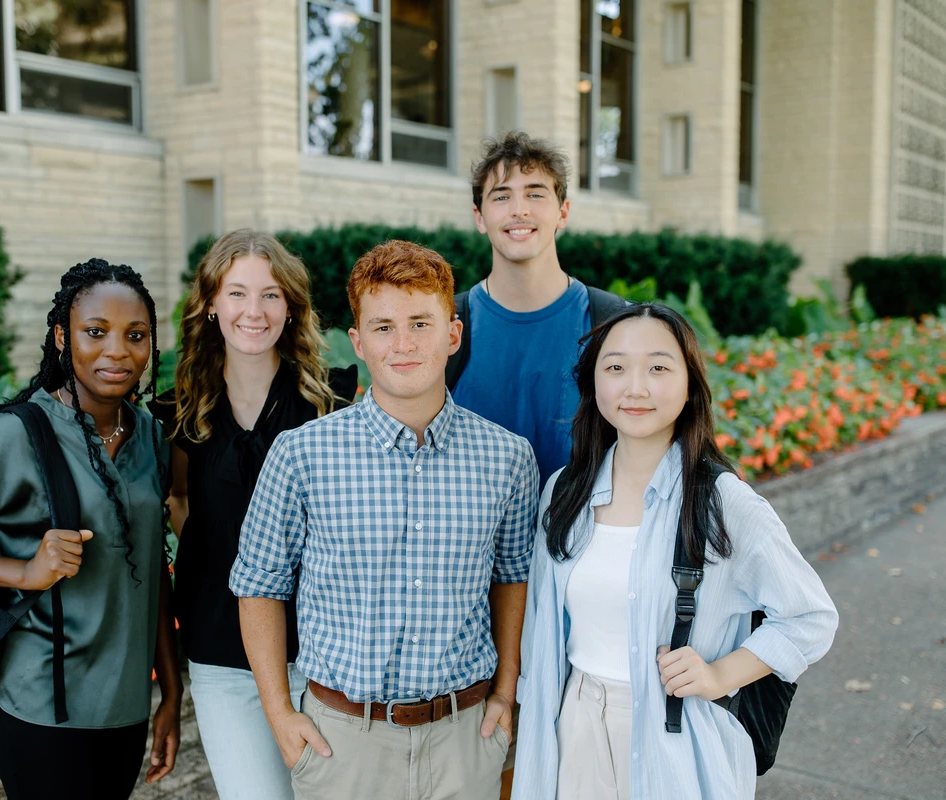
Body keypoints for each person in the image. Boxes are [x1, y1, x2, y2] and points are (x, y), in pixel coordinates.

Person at [231, 240, 540, 800]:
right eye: (383, 327)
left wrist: (506, 692)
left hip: (465, 735)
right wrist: (279, 713)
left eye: (421, 323)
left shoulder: (508, 458)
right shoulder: (302, 455)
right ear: (357, 342)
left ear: (453, 334)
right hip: (343, 740)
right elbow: (258, 587)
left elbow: (511, 578)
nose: (403, 344)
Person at [0, 259, 182, 800]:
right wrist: (24, 568)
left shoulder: (150, 438)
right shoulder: (14, 436)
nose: (118, 351)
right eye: (96, 332)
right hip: (42, 701)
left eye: (136, 336)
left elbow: (150, 563)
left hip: (125, 704)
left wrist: (171, 689)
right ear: (62, 336)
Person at [512, 303, 839, 800]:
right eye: (616, 367)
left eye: (659, 368)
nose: (635, 387)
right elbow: (540, 628)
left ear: (689, 386)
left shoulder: (723, 503)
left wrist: (719, 675)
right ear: (594, 383)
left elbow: (809, 616)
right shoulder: (564, 492)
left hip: (679, 739)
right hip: (573, 720)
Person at [160, 229, 356, 800]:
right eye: (238, 293)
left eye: (271, 295)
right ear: (212, 304)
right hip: (221, 653)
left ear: (291, 308)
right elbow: (181, 499)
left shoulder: (333, 403)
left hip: (322, 654)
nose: (254, 310)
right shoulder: (182, 407)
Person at [449, 132, 625, 488]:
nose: (519, 209)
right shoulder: (448, 325)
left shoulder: (610, 322)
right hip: (475, 542)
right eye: (501, 196)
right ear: (479, 217)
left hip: (579, 538)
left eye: (534, 193)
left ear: (563, 212)